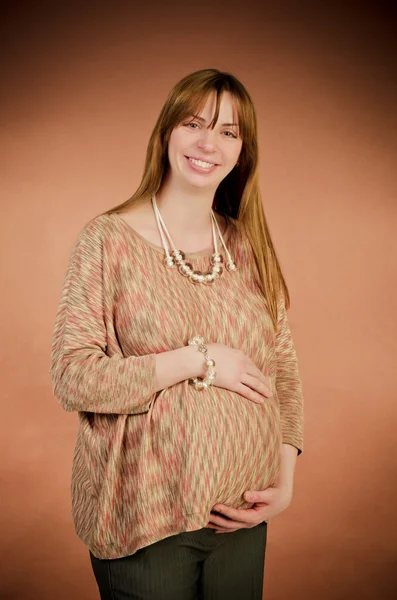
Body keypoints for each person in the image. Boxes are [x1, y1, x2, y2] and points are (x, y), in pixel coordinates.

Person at [50, 68, 304, 600]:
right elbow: (74, 378)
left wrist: (283, 485)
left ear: (242, 152)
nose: (209, 142)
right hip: (146, 523)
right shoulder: (107, 241)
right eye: (195, 123)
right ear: (167, 131)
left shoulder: (248, 244)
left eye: (229, 132)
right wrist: (199, 359)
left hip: (241, 519)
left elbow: (283, 371)